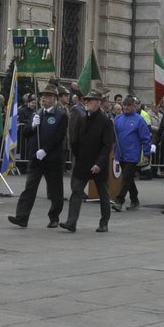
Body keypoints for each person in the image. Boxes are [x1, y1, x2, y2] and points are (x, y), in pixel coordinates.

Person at [9, 85, 69, 228]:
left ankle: (54, 217)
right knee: (29, 188)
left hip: (52, 159)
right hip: (35, 159)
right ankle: (22, 217)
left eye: (47, 96)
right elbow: (25, 133)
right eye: (42, 96)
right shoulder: (37, 113)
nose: (43, 98)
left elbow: (58, 136)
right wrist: (32, 126)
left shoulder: (61, 115)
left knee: (55, 191)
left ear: (54, 99)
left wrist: (45, 150)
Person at [62, 91, 114, 233]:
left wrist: (99, 163)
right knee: (76, 191)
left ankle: (104, 223)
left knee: (103, 193)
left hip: (98, 164)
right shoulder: (83, 119)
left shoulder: (106, 121)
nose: (86, 103)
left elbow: (107, 145)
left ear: (97, 102)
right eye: (86, 100)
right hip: (83, 162)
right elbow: (75, 140)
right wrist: (78, 157)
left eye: (90, 101)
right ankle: (71, 222)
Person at [111, 95, 152, 211]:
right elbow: (113, 134)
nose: (126, 108)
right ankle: (135, 200)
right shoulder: (118, 119)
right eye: (124, 105)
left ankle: (119, 201)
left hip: (133, 154)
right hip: (120, 153)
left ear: (133, 106)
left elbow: (145, 138)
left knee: (126, 177)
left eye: (128, 105)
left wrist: (147, 154)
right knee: (128, 179)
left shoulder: (139, 120)